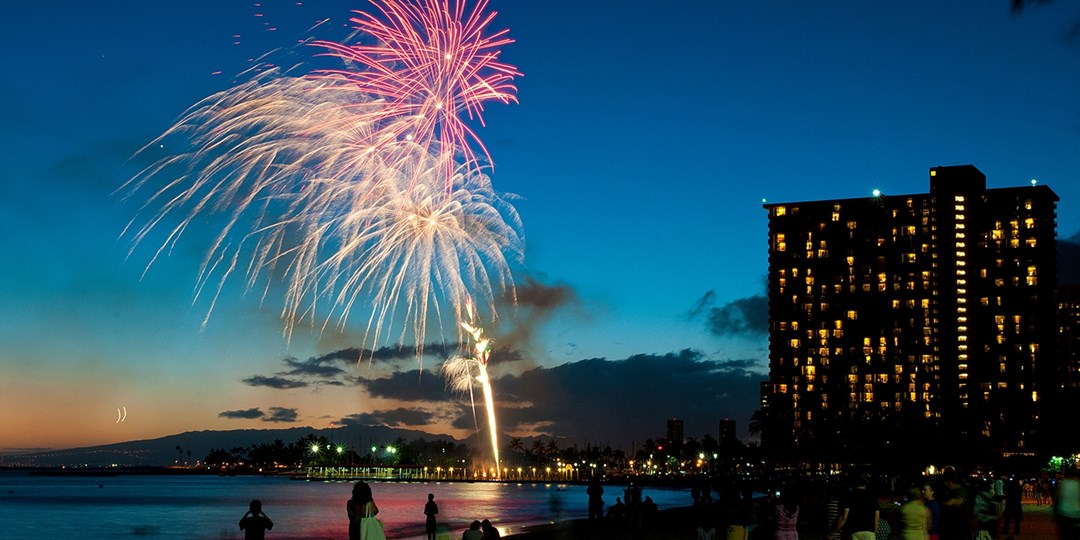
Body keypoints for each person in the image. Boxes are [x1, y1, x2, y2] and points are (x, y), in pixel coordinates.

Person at [835, 476, 879, 540]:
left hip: (855, 532)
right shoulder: (873, 497)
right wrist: (874, 532)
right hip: (869, 532)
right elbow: (877, 518)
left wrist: (833, 531)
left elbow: (844, 517)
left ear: (854, 484)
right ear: (865, 484)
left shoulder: (849, 496)